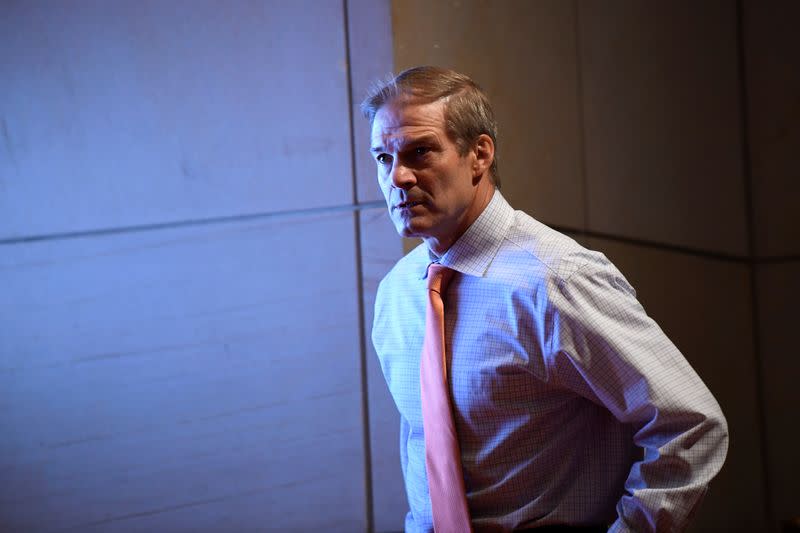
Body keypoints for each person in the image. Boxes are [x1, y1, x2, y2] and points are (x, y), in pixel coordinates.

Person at [364, 66, 728, 533]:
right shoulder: (397, 293)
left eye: (419, 152)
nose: (398, 177)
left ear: (479, 155)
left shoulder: (557, 279)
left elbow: (691, 426)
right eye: (382, 158)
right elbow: (425, 449)